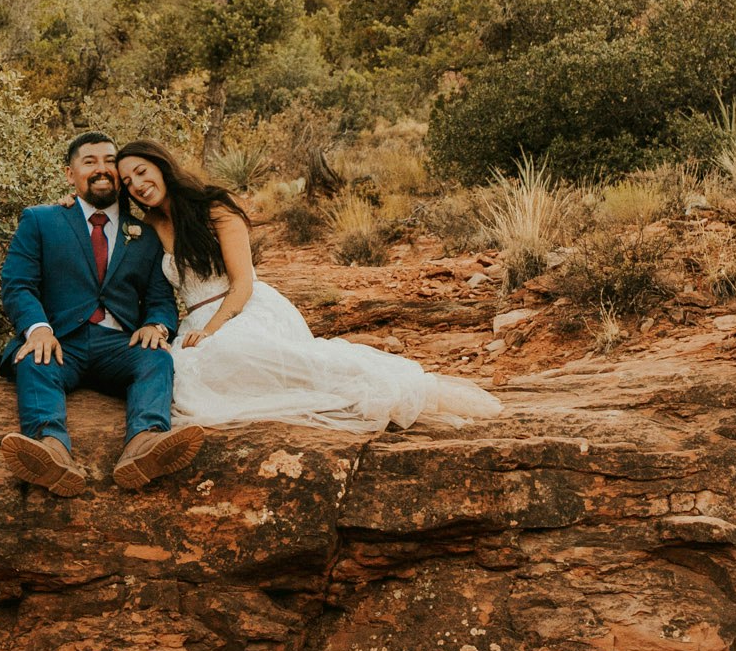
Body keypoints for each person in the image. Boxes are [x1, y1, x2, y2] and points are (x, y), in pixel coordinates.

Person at [114, 138, 503, 431]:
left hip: (242, 308)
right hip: (194, 323)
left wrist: (213, 329)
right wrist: (67, 205)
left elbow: (242, 282)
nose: (138, 184)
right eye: (128, 181)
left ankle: (376, 393)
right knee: (182, 377)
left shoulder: (213, 207)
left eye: (142, 171)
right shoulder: (148, 228)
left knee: (233, 352)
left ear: (161, 165)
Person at [0, 132, 207, 495]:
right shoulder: (40, 220)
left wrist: (157, 325)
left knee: (155, 359)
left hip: (119, 344)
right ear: (70, 174)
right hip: (62, 343)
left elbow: (160, 296)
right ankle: (52, 451)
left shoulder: (146, 232)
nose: (101, 169)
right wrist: (38, 329)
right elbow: (18, 283)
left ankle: (144, 445)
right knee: (34, 360)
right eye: (89, 161)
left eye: (110, 161)